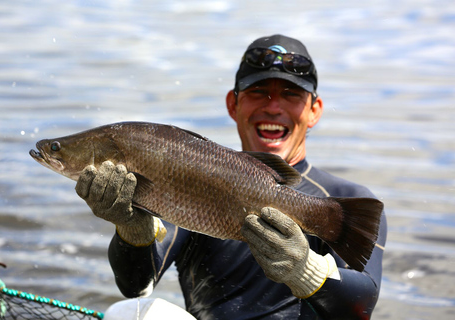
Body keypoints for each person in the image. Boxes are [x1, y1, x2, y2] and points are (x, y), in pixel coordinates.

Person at [75, 34, 387, 319]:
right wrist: (132, 229)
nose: (273, 107)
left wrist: (306, 270)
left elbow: (360, 309)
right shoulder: (190, 173)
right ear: (232, 105)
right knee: (128, 313)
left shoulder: (345, 203)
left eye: (291, 94)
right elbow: (137, 289)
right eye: (258, 92)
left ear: (314, 110)